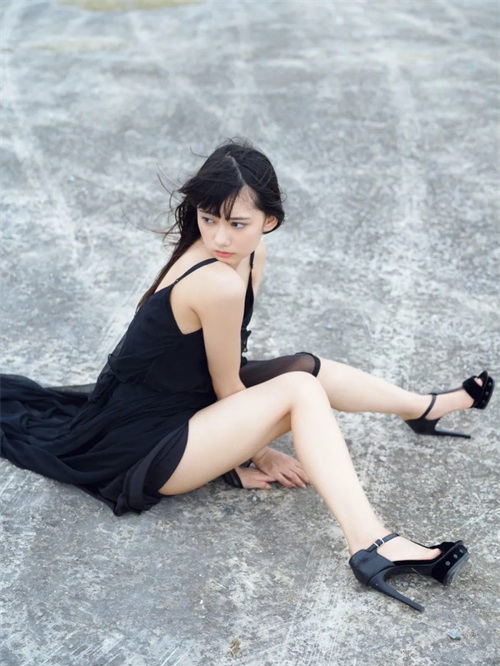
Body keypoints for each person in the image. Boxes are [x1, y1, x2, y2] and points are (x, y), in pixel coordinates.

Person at [0, 140, 494, 611]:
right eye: (208, 218)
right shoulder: (216, 280)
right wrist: (254, 450)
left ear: (269, 221)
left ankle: (422, 408)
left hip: (176, 405)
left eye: (237, 223)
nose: (220, 237)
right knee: (300, 389)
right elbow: (227, 386)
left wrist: (243, 436)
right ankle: (372, 542)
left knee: (305, 367)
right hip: (144, 445)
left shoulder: (248, 257)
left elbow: (225, 366)